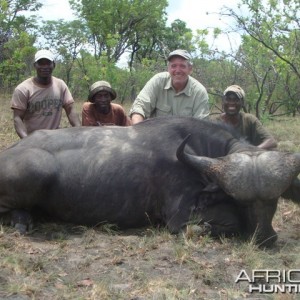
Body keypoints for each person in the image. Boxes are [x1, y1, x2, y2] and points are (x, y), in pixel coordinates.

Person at [11, 49, 81, 138]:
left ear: (54, 65)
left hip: (55, 138)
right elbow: (17, 118)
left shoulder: (60, 85)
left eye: (48, 63)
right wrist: (26, 141)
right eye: (41, 63)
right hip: (33, 138)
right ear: (35, 66)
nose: (45, 67)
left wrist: (79, 131)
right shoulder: (23, 89)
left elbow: (70, 109)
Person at [129, 49, 210, 124]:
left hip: (187, 138)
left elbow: (201, 126)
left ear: (190, 69)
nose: (177, 70)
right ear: (168, 68)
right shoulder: (158, 81)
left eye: (182, 66)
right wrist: (136, 131)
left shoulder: (199, 92)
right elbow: (139, 107)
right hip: (155, 136)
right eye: (173, 66)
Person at [215, 85, 277, 150]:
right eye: (228, 99)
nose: (231, 103)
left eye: (236, 99)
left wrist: (250, 151)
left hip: (249, 157)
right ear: (223, 102)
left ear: (242, 103)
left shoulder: (249, 120)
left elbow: (271, 142)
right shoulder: (215, 122)